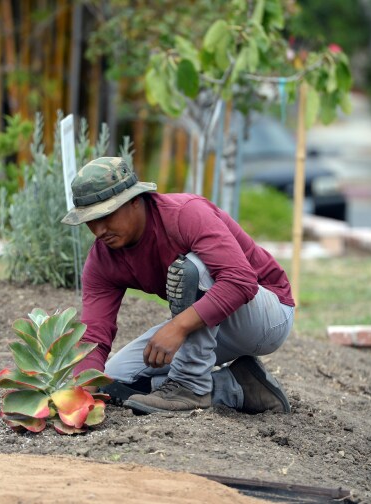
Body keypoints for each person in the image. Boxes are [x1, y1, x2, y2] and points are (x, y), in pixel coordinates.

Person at [62, 156, 295, 415]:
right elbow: (95, 335)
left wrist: (179, 326)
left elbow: (240, 281)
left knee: (191, 267)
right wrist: (81, 390)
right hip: (213, 322)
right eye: (90, 220)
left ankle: (190, 386)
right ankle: (239, 385)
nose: (99, 229)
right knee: (114, 379)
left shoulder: (185, 214)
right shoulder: (102, 259)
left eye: (107, 215)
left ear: (135, 200)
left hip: (267, 315)